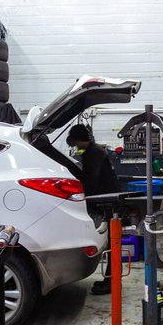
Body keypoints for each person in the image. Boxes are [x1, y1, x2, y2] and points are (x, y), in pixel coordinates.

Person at [66, 124, 119, 294]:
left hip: (107, 202)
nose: (75, 146)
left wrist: (79, 194)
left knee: (112, 243)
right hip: (106, 200)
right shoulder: (92, 151)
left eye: (75, 142)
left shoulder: (94, 153)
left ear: (79, 139)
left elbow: (92, 181)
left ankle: (111, 282)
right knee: (111, 242)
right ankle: (110, 281)